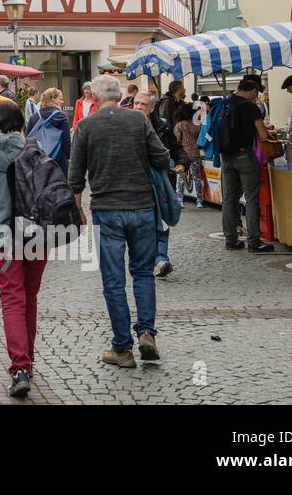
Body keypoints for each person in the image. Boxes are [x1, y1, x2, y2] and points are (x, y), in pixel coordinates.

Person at [68, 75, 169, 367]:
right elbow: (161, 158)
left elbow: (75, 176)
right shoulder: (138, 121)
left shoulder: (87, 125)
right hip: (142, 208)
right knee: (143, 273)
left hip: (107, 209)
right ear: (120, 95)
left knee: (113, 281)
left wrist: (79, 209)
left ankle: (122, 349)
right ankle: (147, 332)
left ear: (95, 99)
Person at [0, 99, 45, 397]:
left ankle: (20, 367)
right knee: (30, 297)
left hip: (2, 235)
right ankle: (29, 360)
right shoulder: (36, 149)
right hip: (37, 233)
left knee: (12, 300)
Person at [132, 92, 188, 278]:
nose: (139, 107)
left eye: (143, 104)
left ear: (152, 107)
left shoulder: (162, 126)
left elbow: (176, 148)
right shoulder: (126, 125)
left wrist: (182, 162)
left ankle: (161, 259)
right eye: (136, 103)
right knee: (144, 222)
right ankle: (148, 258)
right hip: (137, 184)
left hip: (162, 182)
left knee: (163, 219)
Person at [218, 79, 274, 253]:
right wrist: (268, 132)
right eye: (256, 93)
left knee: (229, 199)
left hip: (226, 156)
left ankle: (231, 240)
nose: (256, 96)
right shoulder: (250, 107)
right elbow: (263, 134)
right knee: (251, 198)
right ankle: (254, 242)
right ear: (252, 91)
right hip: (244, 155)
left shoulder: (224, 103)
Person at [25, 87, 71, 174]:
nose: (63, 102)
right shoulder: (61, 116)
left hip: (38, 160)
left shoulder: (34, 116)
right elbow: (67, 141)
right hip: (58, 159)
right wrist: (67, 157)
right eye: (60, 99)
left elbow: (27, 139)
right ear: (53, 99)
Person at [173, 102, 206, 210]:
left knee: (181, 178)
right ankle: (199, 201)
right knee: (197, 177)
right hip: (195, 154)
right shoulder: (197, 125)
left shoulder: (179, 125)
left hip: (183, 155)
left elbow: (176, 140)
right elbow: (201, 139)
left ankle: (180, 199)